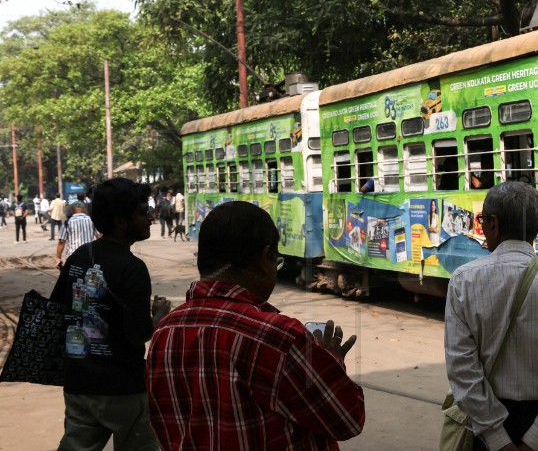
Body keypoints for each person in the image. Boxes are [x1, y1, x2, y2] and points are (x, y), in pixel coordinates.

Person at [146, 201, 365, 450]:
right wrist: (331, 361)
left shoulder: (165, 331)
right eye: (276, 261)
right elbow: (347, 418)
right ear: (263, 258)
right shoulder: (277, 336)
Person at [445, 182, 538, 451]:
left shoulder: (464, 281)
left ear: (494, 224)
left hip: (488, 431)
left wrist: (499, 441)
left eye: (482, 221)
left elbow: (462, 370)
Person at [50, 178, 171, 451]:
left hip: (78, 383)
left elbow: (57, 310)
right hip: (123, 387)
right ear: (120, 220)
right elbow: (138, 333)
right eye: (142, 212)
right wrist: (159, 317)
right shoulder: (132, 268)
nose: (150, 218)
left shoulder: (80, 256)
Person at [55, 201, 100, 269]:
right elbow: (99, 237)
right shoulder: (92, 221)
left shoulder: (67, 223)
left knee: (72, 277)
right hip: (89, 256)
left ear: (72, 211)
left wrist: (58, 258)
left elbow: (61, 242)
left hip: (72, 257)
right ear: (84, 209)